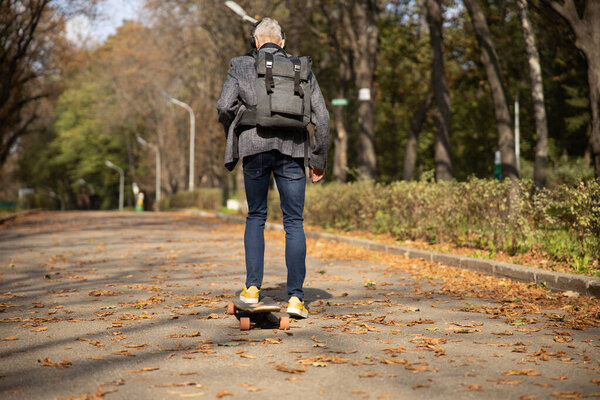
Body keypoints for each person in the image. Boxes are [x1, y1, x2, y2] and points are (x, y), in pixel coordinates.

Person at [217, 18, 330, 318]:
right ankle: (295, 299)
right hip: (293, 152)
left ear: (256, 41)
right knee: (294, 222)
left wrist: (236, 132)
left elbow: (223, 106)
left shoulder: (240, 65)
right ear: (281, 42)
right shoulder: (300, 68)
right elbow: (323, 117)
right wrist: (317, 160)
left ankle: (252, 290)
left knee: (256, 216)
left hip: (255, 149)